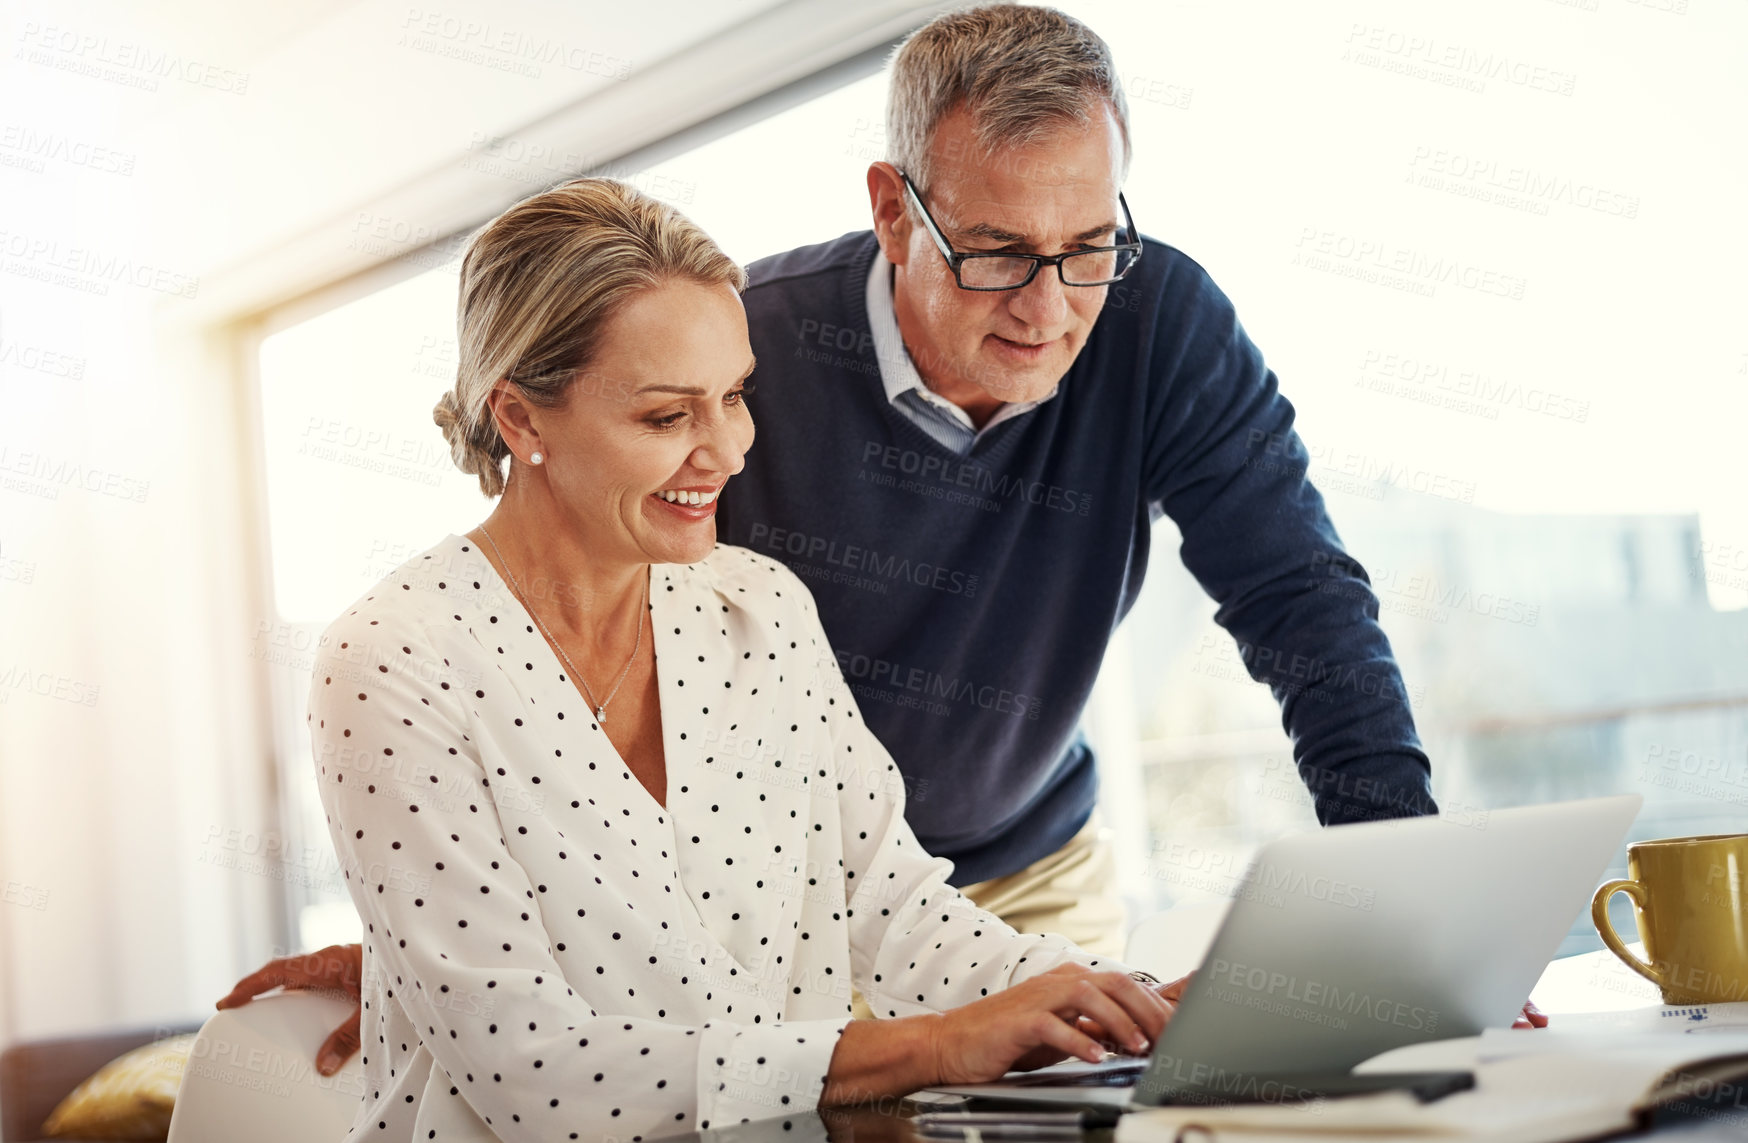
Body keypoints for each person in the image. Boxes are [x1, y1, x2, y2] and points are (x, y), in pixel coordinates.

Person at [219, 4, 1544, 1078]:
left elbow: (1302, 601)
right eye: (996, 253)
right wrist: (459, 935)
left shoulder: (1151, 327)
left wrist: (1397, 925)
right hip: (750, 912)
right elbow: (574, 675)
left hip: (986, 875)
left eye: (1088, 247)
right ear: (896, 208)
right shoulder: (752, 355)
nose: (1050, 307)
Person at [274, 177, 1179, 1141]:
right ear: (522, 419)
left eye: (737, 396)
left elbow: (897, 906)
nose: (729, 451)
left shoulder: (760, 607)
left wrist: (1102, 1000)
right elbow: (526, 1069)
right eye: (667, 417)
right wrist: (935, 1044)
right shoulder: (394, 659)